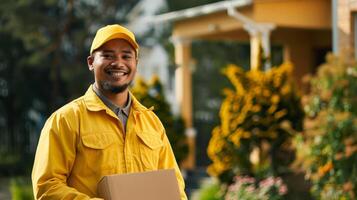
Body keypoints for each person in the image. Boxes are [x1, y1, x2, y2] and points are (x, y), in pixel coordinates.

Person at [32, 24, 187, 200]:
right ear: (91, 62)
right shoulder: (66, 120)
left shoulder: (151, 122)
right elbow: (46, 187)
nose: (118, 63)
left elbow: (174, 187)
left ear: (135, 63)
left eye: (126, 56)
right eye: (107, 55)